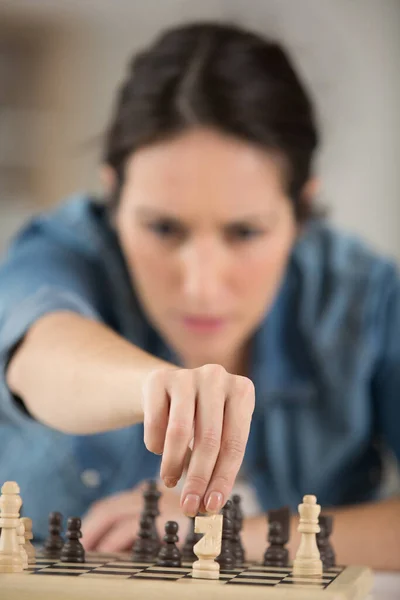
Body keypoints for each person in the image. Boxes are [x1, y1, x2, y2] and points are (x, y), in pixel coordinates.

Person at [0, 21, 399, 571]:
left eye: (245, 232)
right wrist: (157, 388)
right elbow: (40, 354)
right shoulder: (62, 250)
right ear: (113, 195)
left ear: (302, 210)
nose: (201, 286)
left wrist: (221, 533)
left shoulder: (365, 296)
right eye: (163, 228)